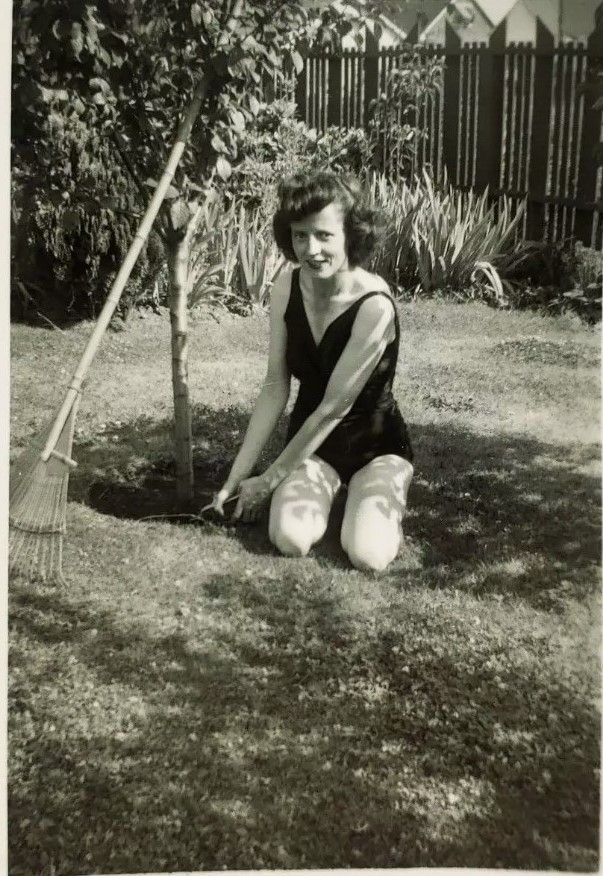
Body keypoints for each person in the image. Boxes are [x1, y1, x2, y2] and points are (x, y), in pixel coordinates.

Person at [213, 170, 414, 572]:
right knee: (290, 540)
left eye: (324, 235)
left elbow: (333, 409)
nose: (311, 249)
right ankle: (329, 492)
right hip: (313, 447)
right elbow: (275, 385)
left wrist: (269, 482)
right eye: (300, 235)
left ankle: (370, 499)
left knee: (368, 556)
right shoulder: (286, 288)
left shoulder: (375, 305)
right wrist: (236, 479)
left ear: (350, 236)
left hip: (376, 447)